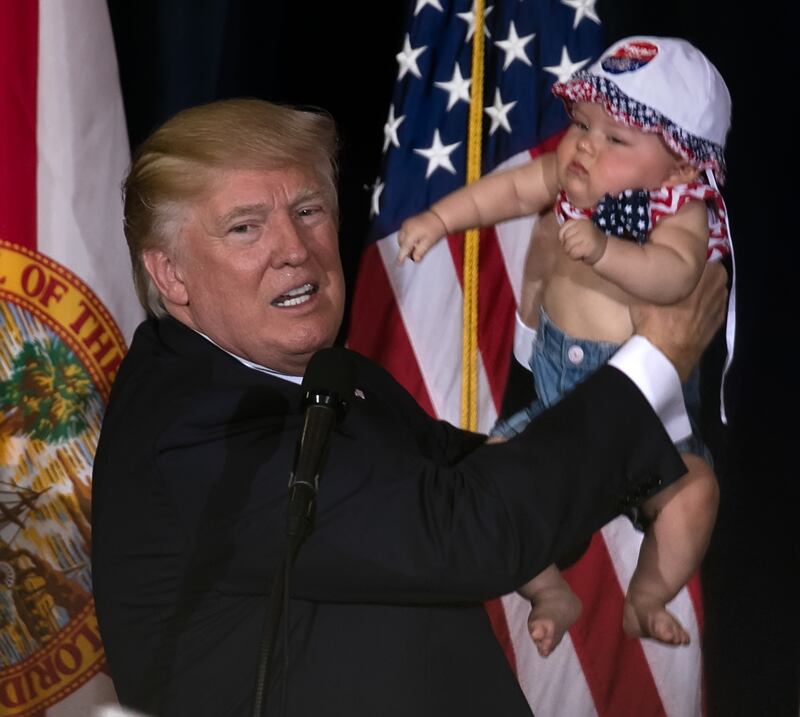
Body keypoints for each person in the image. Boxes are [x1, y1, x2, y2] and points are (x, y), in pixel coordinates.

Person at [91, 97, 728, 717]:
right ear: (171, 276)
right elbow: (464, 531)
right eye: (244, 227)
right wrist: (655, 362)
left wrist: (646, 478)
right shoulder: (196, 429)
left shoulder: (327, 380)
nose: (295, 248)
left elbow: (480, 478)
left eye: (308, 210)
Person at [397, 36, 730, 657]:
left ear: (682, 165)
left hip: (648, 421)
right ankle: (550, 592)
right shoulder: (564, 177)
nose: (584, 145)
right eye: (581, 124)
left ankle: (647, 595)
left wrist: (608, 252)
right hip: (554, 400)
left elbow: (678, 276)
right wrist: (441, 220)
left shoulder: (678, 211)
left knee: (696, 493)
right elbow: (506, 194)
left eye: (615, 139)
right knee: (489, 474)